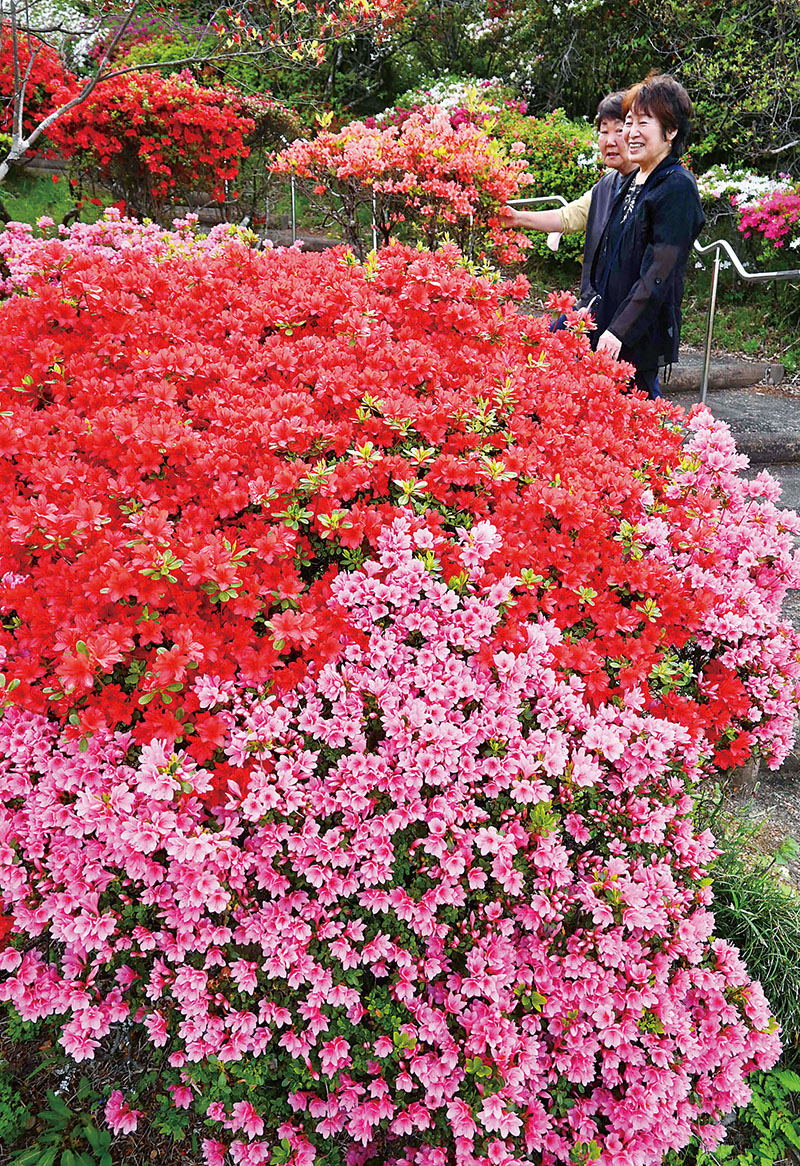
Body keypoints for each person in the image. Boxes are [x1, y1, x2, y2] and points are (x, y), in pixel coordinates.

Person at [588, 73, 705, 399]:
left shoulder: (676, 186)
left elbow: (659, 272)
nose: (631, 133)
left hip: (635, 337)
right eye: (629, 122)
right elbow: (612, 256)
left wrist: (619, 331)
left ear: (670, 131)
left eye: (644, 123)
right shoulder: (632, 180)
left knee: (634, 429)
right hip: (607, 324)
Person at [501, 92, 636, 310]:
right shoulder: (606, 185)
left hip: (624, 314)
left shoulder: (648, 187)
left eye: (619, 131)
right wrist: (515, 218)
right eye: (603, 131)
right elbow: (568, 216)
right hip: (595, 304)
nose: (610, 141)